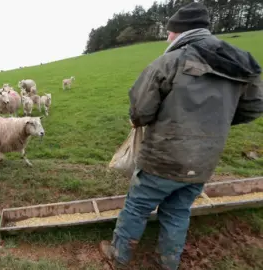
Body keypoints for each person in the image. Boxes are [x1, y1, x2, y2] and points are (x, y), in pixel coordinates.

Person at [98, 2, 263, 270]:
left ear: (180, 32)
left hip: (164, 158)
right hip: (204, 161)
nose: (167, 37)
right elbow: (254, 107)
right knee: (177, 210)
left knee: (137, 206)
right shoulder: (241, 63)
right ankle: (168, 261)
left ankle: (119, 254)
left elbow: (139, 111)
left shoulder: (170, 61)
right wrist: (215, 123)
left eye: (169, 32)